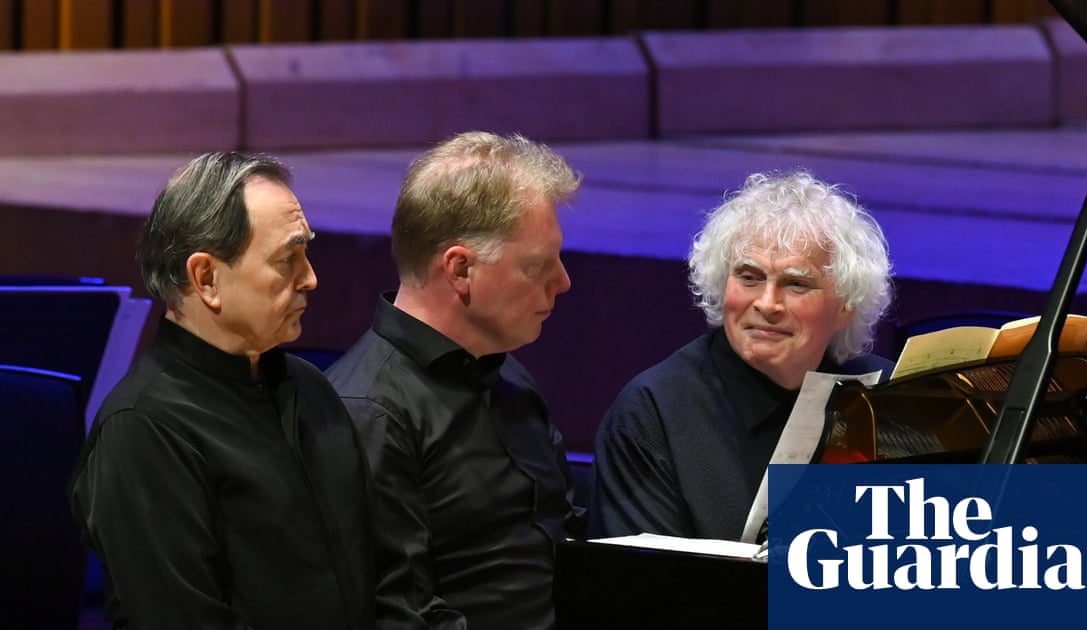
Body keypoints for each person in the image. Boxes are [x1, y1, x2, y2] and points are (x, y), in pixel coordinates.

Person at [69, 152, 380, 629]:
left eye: (306, 254)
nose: (311, 278)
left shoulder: (310, 387)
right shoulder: (142, 430)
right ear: (207, 278)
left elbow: (377, 569)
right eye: (288, 259)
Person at [325, 131, 585, 629]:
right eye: (538, 265)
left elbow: (568, 550)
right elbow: (399, 615)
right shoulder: (369, 411)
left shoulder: (510, 377)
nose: (563, 281)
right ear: (460, 269)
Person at [588, 170, 895, 542]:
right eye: (749, 277)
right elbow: (645, 575)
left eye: (796, 283)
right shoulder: (652, 413)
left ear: (846, 304)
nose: (767, 303)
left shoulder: (888, 395)